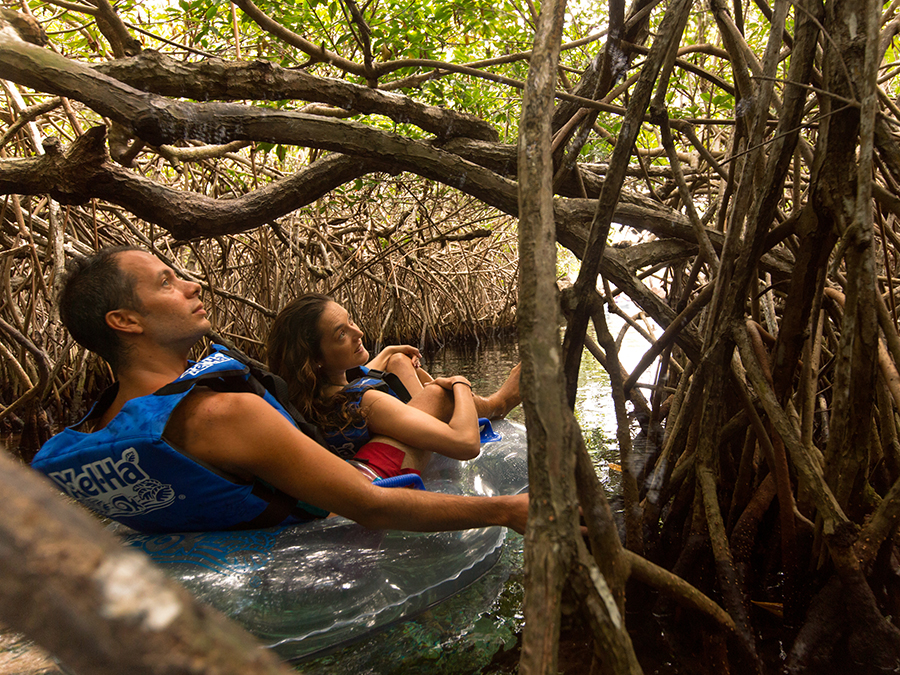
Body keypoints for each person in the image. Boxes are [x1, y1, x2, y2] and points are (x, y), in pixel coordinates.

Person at [30, 246, 528, 535]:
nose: (193, 285)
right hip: (339, 530)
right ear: (124, 321)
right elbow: (372, 505)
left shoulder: (101, 427)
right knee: (436, 397)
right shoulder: (222, 413)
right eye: (167, 283)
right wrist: (507, 511)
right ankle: (495, 399)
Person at [266, 293, 521, 479]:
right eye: (342, 334)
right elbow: (466, 445)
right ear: (316, 359)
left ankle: (486, 401)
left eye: (351, 321)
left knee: (399, 361)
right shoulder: (366, 403)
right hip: (387, 472)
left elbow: (358, 377)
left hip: (355, 452)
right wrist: (460, 383)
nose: (358, 333)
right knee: (439, 394)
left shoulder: (308, 395)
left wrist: (389, 353)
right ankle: (499, 402)